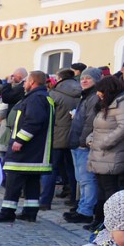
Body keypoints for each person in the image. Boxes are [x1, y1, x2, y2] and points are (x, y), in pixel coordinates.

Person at [0, 71, 53, 223]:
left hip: (27, 150)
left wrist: (20, 140)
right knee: (31, 182)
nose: (23, 85)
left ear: (32, 82)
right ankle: (30, 212)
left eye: (25, 82)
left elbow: (33, 122)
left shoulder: (35, 98)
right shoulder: (42, 97)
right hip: (36, 150)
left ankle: (7, 211)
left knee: (14, 179)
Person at [64, 67, 104, 225]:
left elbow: (89, 122)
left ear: (96, 80)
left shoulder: (93, 97)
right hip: (77, 142)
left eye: (88, 78)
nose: (84, 80)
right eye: (82, 78)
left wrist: (81, 142)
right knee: (81, 179)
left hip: (83, 145)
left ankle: (86, 211)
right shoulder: (86, 96)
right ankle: (82, 207)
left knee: (87, 180)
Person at [86, 76, 124, 226]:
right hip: (100, 153)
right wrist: (90, 139)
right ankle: (99, 220)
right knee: (101, 189)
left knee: (110, 189)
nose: (98, 94)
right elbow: (97, 127)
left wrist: (105, 143)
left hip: (112, 154)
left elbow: (123, 127)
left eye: (100, 91)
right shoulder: (107, 104)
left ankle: (110, 223)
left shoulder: (122, 104)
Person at [43, 68, 82, 210]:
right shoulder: (82, 93)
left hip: (57, 136)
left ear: (59, 79)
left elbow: (47, 115)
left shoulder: (54, 94)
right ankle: (74, 199)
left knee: (51, 169)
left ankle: (45, 201)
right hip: (74, 136)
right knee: (72, 170)